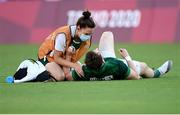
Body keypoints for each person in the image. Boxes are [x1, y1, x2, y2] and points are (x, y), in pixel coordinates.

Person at [65, 31, 173, 81]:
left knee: (107, 34)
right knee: (144, 67)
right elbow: (136, 76)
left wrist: (69, 57)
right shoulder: (116, 64)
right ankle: (156, 73)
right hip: (115, 67)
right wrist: (127, 57)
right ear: (102, 60)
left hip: (97, 65)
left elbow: (68, 75)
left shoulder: (85, 70)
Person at [38, 10, 96, 81]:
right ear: (78, 28)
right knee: (60, 76)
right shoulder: (62, 35)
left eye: (91, 34)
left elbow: (73, 58)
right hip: (47, 57)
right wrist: (74, 66)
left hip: (64, 57)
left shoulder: (87, 41)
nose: (88, 37)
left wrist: (72, 66)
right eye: (86, 34)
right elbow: (57, 58)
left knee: (79, 73)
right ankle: (36, 71)